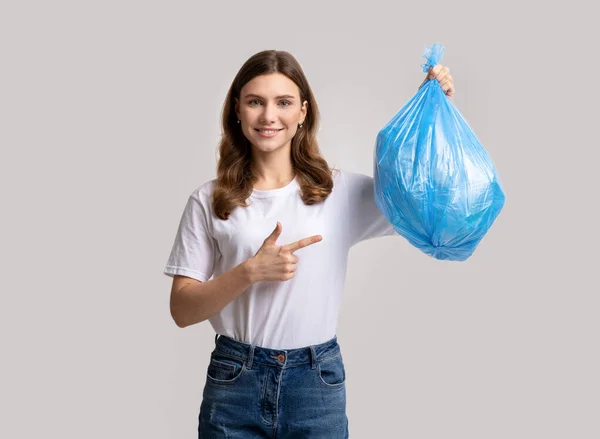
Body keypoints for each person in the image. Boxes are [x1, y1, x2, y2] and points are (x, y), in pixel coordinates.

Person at [163, 49, 454, 438]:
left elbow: (423, 197)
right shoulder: (210, 199)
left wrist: (431, 109)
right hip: (234, 382)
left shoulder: (338, 193)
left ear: (302, 112)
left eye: (283, 103)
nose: (269, 116)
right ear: (237, 110)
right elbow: (181, 309)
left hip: (316, 384)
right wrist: (249, 272)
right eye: (255, 102)